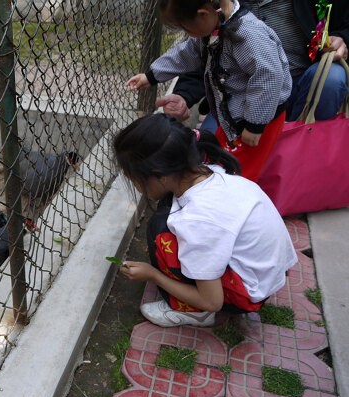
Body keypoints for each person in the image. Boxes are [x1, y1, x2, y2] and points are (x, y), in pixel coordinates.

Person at [114, 114, 298, 327]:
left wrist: (153, 275)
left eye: (134, 179)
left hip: (246, 294)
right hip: (266, 273)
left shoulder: (195, 220)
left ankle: (194, 313)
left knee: (159, 230)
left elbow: (212, 301)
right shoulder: (213, 172)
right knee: (167, 216)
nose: (136, 187)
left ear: (160, 175)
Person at [125, 0, 292, 182]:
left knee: (240, 173)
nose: (187, 34)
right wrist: (151, 75)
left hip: (258, 119)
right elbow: (187, 53)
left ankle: (235, 202)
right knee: (223, 160)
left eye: (186, 28)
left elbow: (268, 76)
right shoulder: (215, 27)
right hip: (234, 116)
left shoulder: (248, 34)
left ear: (203, 14)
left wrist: (254, 125)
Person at [159, 0, 349, 131]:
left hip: (304, 85)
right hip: (242, 99)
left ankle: (312, 143)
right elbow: (202, 48)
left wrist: (342, 38)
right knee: (213, 155)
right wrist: (185, 94)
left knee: (333, 78)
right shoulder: (219, 6)